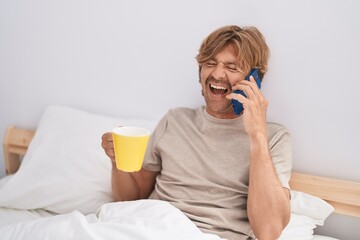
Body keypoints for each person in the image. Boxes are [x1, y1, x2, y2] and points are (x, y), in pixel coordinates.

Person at [101, 25, 292, 240]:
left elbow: (269, 232)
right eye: (210, 64)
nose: (217, 74)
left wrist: (257, 134)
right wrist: (118, 162)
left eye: (232, 67)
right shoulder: (175, 121)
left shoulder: (273, 138)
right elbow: (131, 199)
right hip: (147, 227)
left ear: (253, 79)